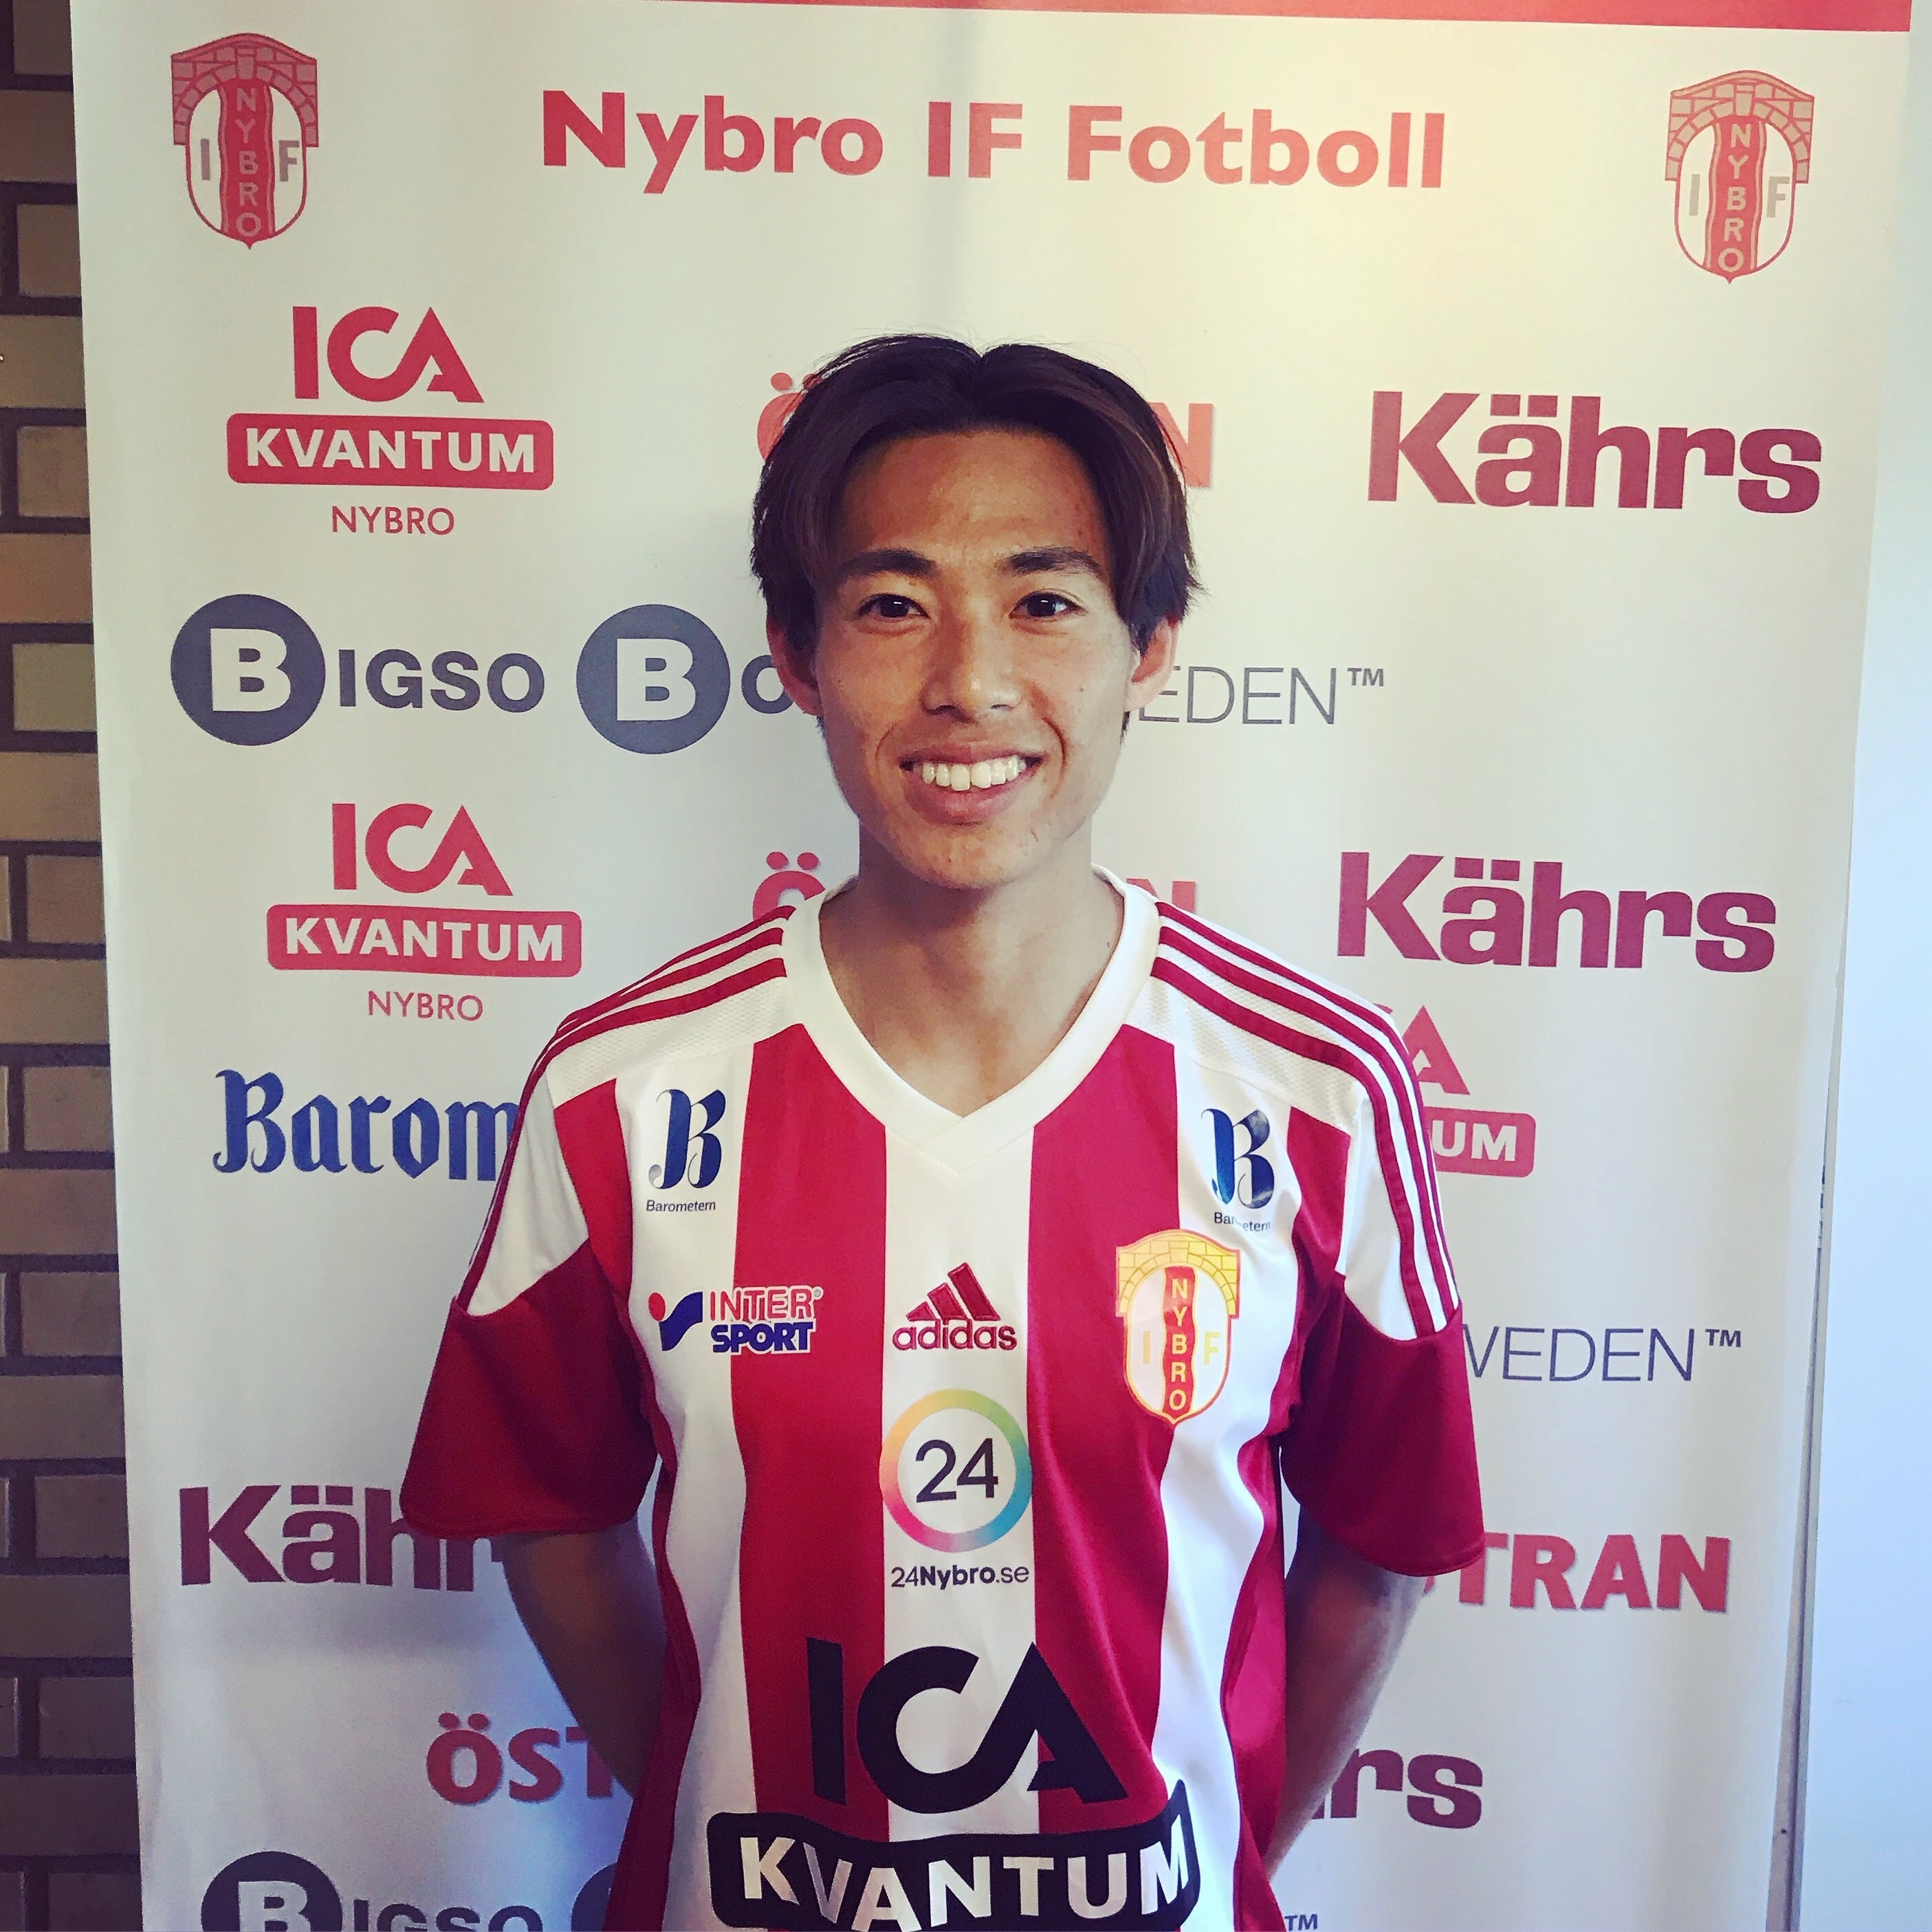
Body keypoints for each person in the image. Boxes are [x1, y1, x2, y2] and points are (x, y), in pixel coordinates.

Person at [402, 335, 1482, 1932]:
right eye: (893, 605)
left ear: (1150, 645)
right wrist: (710, 1792)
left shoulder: (1318, 1091)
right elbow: (549, 1514)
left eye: (1043, 601)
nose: (969, 681)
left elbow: (1377, 1553)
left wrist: (1224, 1842)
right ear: (796, 653)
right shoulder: (618, 1091)